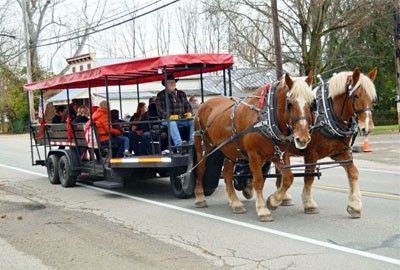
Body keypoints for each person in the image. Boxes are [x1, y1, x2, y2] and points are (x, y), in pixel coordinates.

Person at [156, 74, 193, 147]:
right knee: (172, 123)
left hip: (182, 119)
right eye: (170, 82)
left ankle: (192, 143)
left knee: (193, 121)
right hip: (167, 120)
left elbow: (188, 105)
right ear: (165, 84)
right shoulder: (161, 95)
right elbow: (160, 110)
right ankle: (179, 145)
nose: (173, 84)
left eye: (174, 82)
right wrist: (169, 116)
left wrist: (189, 113)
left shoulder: (182, 93)